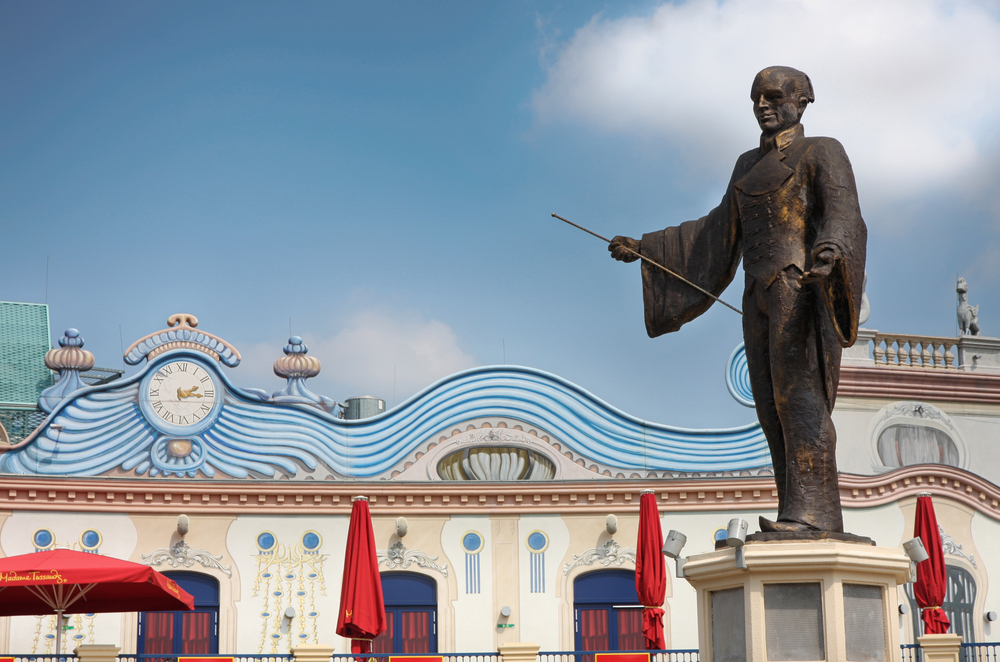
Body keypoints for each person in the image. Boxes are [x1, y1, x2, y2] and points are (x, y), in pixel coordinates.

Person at [609, 66, 867, 534]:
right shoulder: (746, 165)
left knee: (800, 399)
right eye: (755, 99)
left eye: (773, 96)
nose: (763, 106)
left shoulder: (821, 151)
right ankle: (794, 507)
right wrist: (646, 248)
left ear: (803, 100)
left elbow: (844, 213)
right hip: (758, 294)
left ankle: (816, 515)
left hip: (799, 287)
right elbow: (716, 230)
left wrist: (829, 253)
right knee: (769, 405)